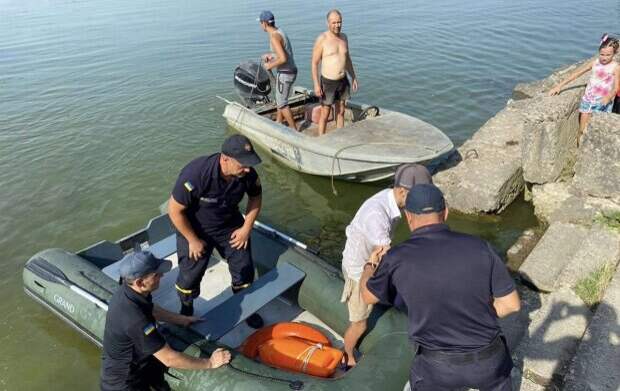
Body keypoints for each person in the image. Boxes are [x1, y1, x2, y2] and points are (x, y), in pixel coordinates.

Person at [360, 184, 521, 391]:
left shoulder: (397, 258)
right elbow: (511, 304)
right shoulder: (479, 246)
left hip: (437, 367)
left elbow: (367, 296)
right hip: (489, 360)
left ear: (408, 217)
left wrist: (369, 266)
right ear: (445, 211)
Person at [340, 164, 432, 368]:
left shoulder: (390, 199)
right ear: (402, 191)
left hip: (372, 259)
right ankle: (346, 354)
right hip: (359, 270)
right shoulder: (377, 216)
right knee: (359, 322)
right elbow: (387, 255)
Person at [168, 134, 264, 329]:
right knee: (189, 276)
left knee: (244, 268)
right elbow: (174, 210)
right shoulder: (196, 174)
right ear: (225, 159)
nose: (247, 169)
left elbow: (255, 198)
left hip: (229, 225)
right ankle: (186, 307)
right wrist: (192, 240)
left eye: (249, 164)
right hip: (195, 229)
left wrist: (246, 228)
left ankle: (246, 305)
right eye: (242, 164)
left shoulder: (248, 174)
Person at [100, 251, 231, 391]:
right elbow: (169, 358)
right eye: (156, 275)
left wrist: (182, 319)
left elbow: (152, 309)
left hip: (141, 363)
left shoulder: (129, 291)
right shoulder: (135, 319)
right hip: (125, 383)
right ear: (140, 282)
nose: (162, 275)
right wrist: (210, 363)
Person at [549, 34, 619, 144]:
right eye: (602, 54)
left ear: (614, 53)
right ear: (598, 52)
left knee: (597, 131)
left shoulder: (615, 67)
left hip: (604, 102)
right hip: (589, 100)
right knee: (582, 129)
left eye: (608, 55)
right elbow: (576, 74)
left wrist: (609, 96)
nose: (604, 57)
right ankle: (579, 147)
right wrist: (559, 86)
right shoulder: (595, 63)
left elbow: (616, 87)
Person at [311, 9, 358, 136]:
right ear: (328, 23)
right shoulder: (322, 39)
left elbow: (347, 59)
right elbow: (314, 63)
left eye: (339, 22)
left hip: (343, 80)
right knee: (325, 112)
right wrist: (316, 85)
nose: (337, 25)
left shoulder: (344, 37)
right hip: (328, 82)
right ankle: (322, 138)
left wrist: (353, 77)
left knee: (341, 110)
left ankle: (339, 136)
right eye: (334, 23)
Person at [259, 10, 299, 131]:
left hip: (286, 74)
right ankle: (279, 121)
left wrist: (269, 66)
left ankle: (294, 131)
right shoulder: (280, 31)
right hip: (291, 70)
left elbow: (283, 58)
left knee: (282, 103)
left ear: (264, 24)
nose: (260, 25)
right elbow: (283, 52)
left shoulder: (274, 38)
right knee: (279, 97)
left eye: (260, 23)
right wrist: (271, 56)